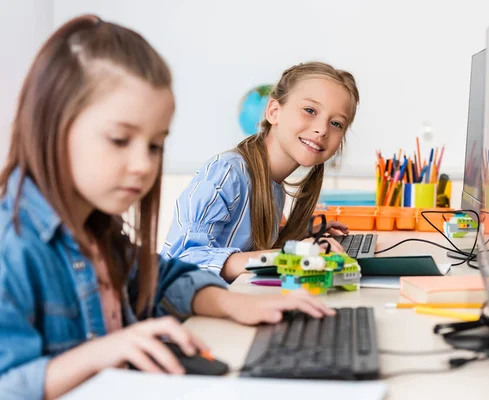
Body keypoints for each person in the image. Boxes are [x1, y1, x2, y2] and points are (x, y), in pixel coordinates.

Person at [0, 16, 333, 399]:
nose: (144, 165)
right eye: (120, 139)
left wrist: (233, 304)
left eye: (155, 145)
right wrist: (101, 354)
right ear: (53, 125)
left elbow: (164, 275)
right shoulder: (13, 246)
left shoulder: (97, 232)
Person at [162, 61, 359, 282]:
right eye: (310, 110)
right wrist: (293, 255)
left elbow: (249, 245)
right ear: (274, 112)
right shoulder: (228, 172)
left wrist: (302, 235)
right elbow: (186, 260)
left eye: (336, 123)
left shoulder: (274, 187)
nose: (322, 129)